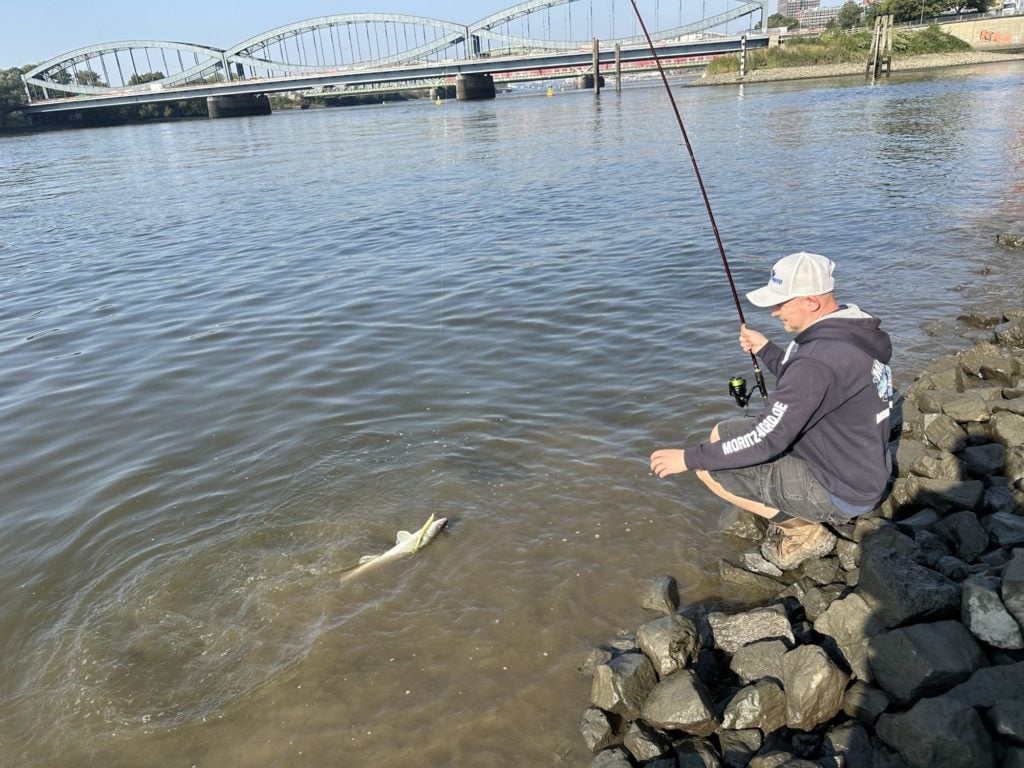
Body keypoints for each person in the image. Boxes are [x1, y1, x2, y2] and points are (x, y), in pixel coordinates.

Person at [650, 251, 894, 569]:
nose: (774, 312)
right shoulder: (852, 333)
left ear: (811, 301)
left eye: (781, 303)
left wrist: (687, 458)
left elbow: (768, 439)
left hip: (841, 488)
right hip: (861, 466)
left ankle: (805, 532)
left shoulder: (816, 361)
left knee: (707, 466)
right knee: (722, 434)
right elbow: (811, 383)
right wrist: (766, 350)